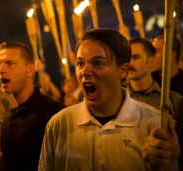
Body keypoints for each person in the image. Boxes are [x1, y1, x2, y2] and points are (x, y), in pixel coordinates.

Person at [38, 29, 180, 171]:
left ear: (123, 70)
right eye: (80, 64)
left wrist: (168, 163)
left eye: (98, 63)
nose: (85, 72)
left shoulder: (154, 123)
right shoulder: (59, 124)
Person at [0, 41, 64, 171]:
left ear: (30, 70)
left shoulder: (54, 113)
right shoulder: (8, 119)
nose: (1, 70)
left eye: (10, 64)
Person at [127, 38, 183, 169]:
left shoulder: (173, 100)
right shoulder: (118, 100)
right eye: (127, 58)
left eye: (135, 57)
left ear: (151, 62)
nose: (129, 63)